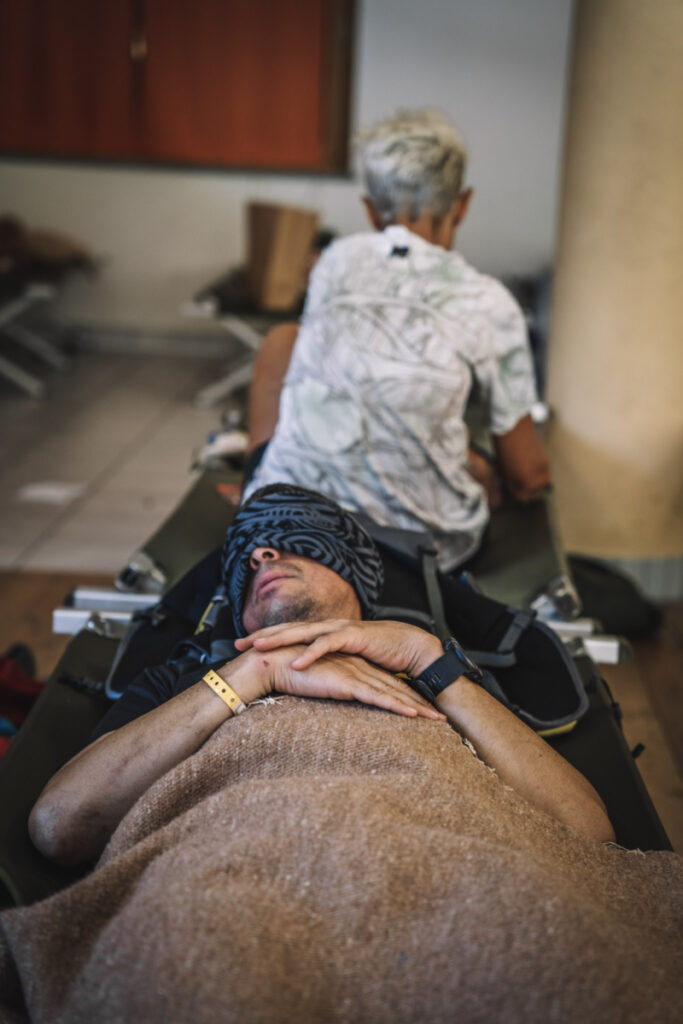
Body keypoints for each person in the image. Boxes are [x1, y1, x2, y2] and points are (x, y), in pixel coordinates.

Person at [28, 485, 612, 868]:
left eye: (285, 545)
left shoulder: (436, 669)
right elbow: (60, 826)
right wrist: (255, 671)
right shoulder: (185, 680)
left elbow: (589, 835)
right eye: (246, 561)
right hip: (226, 871)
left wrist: (425, 657)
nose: (260, 558)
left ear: (350, 571)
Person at [243, 109, 551, 570]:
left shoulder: (332, 263)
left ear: (369, 210)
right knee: (486, 472)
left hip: (287, 528)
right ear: (462, 205)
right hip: (424, 551)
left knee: (282, 341)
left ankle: (260, 483)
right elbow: (528, 476)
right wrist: (506, 475)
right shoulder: (489, 302)